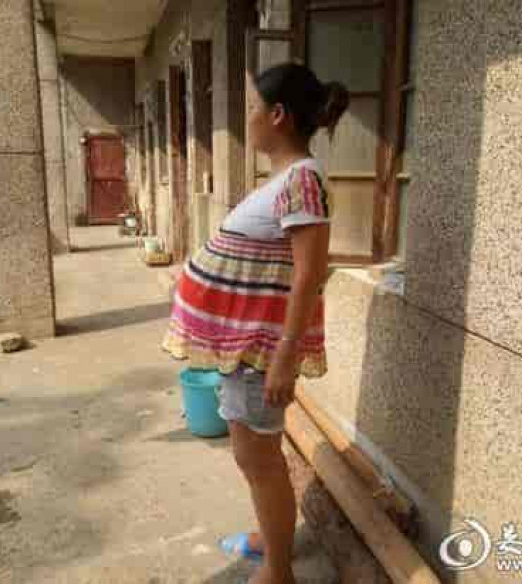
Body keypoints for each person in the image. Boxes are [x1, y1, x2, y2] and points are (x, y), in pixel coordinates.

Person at [163, 62, 349, 584]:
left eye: (251, 108)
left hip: (260, 352)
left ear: (278, 114)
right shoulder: (286, 179)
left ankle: (277, 571)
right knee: (255, 457)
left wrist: (285, 357)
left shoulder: (303, 180)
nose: (247, 118)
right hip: (241, 349)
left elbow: (309, 273)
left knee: (258, 459)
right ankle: (271, 538)